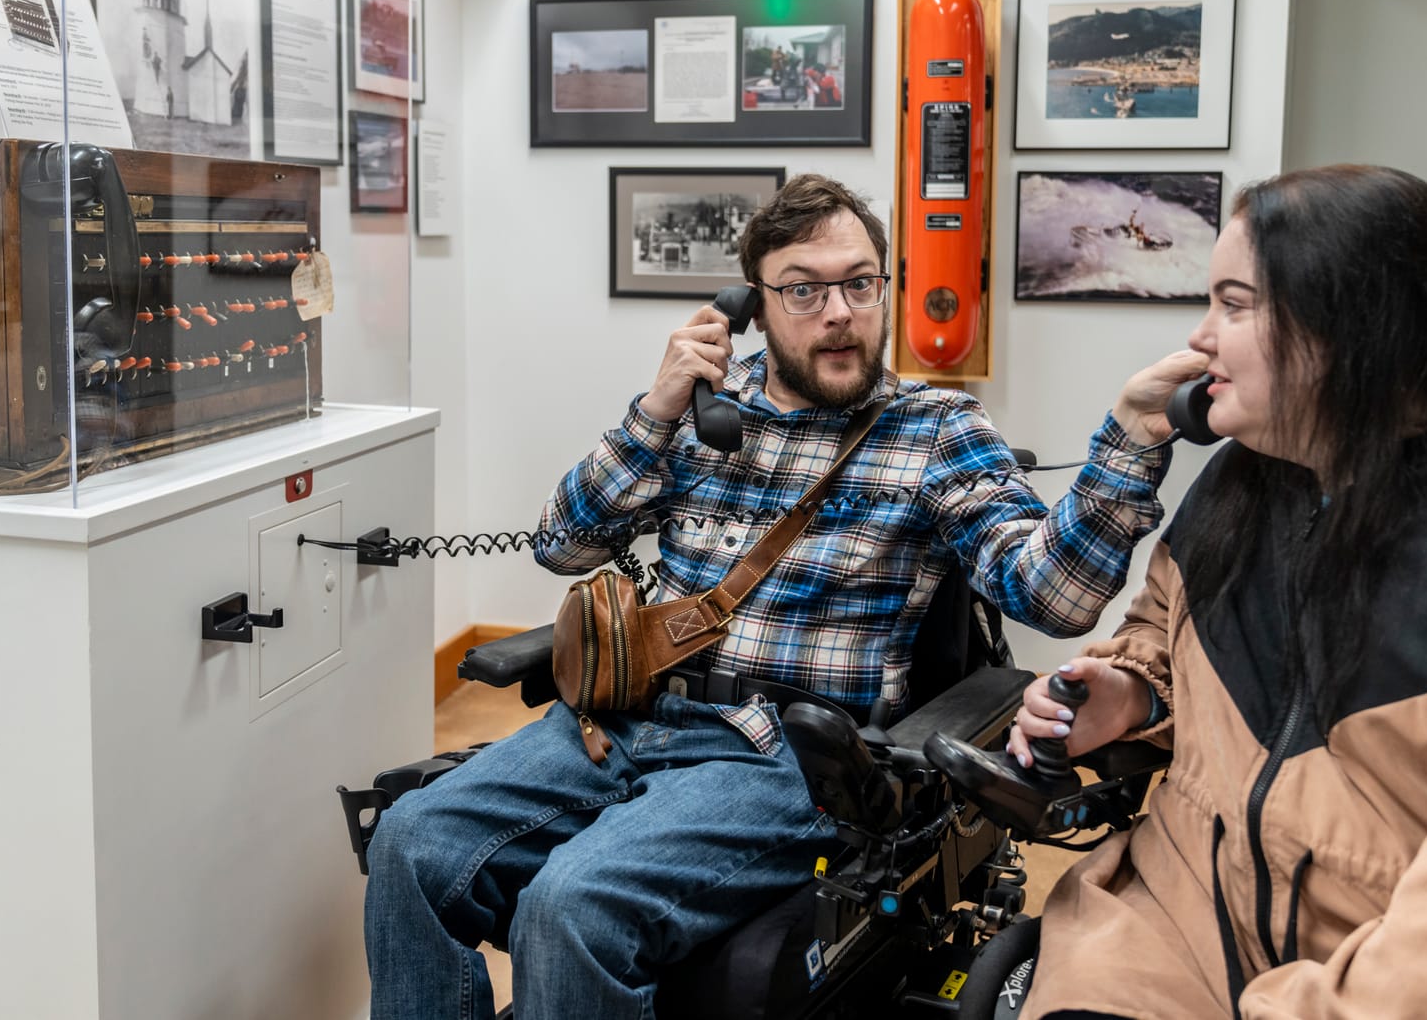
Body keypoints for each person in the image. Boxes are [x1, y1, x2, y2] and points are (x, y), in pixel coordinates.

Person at [364, 174, 1205, 1020]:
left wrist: (1130, 442)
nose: (838, 311)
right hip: (622, 717)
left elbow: (1053, 598)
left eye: (859, 282)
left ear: (886, 288)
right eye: (803, 289)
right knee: (411, 843)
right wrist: (654, 414)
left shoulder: (939, 432)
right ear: (754, 306)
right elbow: (561, 545)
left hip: (777, 755)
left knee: (573, 903)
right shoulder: (703, 413)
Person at [1008, 165, 1427, 1020]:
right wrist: (1136, 693)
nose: (1200, 337)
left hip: (1396, 969)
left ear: (1349, 327)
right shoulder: (1246, 484)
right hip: (1178, 926)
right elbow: (1158, 636)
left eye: (1233, 303)